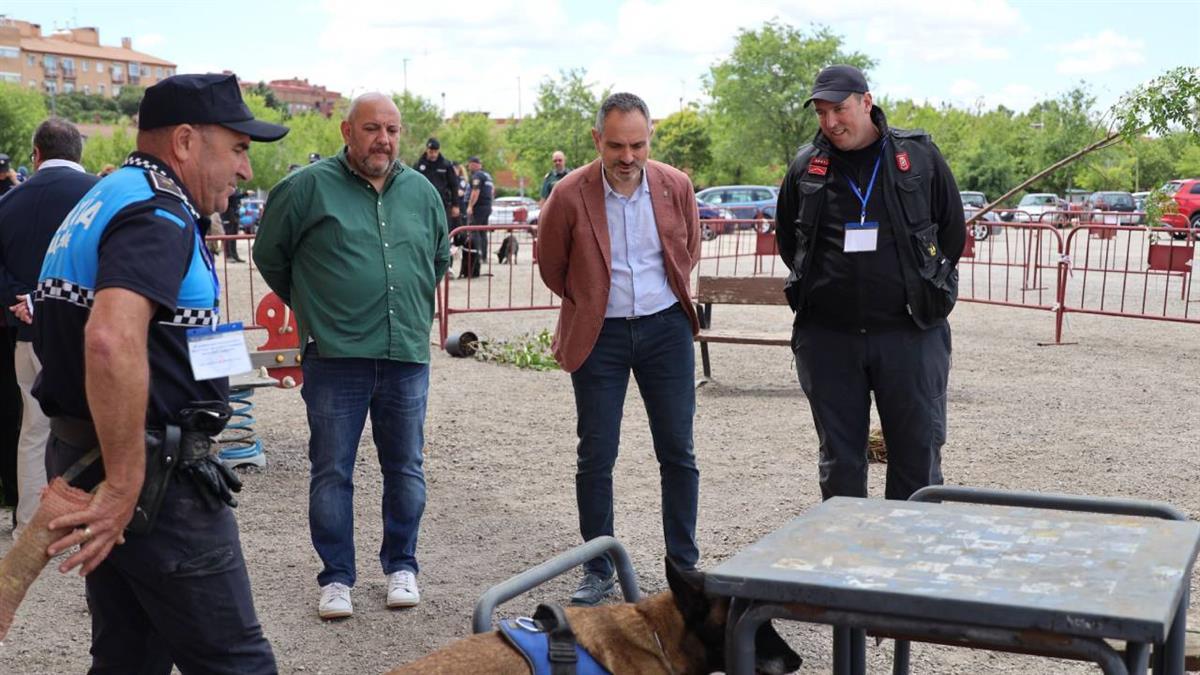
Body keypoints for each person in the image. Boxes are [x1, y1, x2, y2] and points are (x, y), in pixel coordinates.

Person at [32, 73, 285, 672]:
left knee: (129, 657)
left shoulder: (107, 194)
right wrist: (124, 485)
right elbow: (110, 339)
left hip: (94, 456)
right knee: (237, 663)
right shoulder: (160, 212)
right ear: (186, 142)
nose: (246, 171)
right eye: (240, 149)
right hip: (155, 482)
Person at [253, 92, 450, 620]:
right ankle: (336, 577)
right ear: (346, 131)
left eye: (391, 129)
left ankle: (402, 565)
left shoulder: (423, 192)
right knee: (331, 470)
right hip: (336, 355)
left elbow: (437, 260)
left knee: (406, 467)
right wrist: (317, 307)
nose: (382, 139)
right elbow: (269, 256)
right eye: (371, 129)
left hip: (405, 352)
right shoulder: (305, 190)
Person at [537, 92, 702, 606]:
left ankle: (684, 563)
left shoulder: (676, 186)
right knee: (596, 454)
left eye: (638, 144)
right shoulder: (567, 194)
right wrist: (590, 302)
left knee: (678, 451)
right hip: (600, 335)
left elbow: (688, 249)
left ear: (650, 139)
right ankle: (598, 567)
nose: (628, 156)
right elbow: (551, 266)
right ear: (596, 141)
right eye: (616, 146)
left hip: (665, 331)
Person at [775, 64, 965, 502]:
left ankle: (906, 560)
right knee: (840, 461)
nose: (831, 122)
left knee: (916, 457)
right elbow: (791, 242)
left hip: (910, 334)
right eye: (821, 112)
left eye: (839, 109)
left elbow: (951, 233)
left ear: (866, 101)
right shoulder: (807, 166)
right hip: (829, 338)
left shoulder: (918, 157)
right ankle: (846, 564)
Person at [0, 118, 99, 541]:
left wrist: (20, 298)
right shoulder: (100, 195)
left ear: (36, 154)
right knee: (99, 422)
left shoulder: (8, 201)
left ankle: (30, 521)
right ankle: (91, 515)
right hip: (88, 329)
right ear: (79, 152)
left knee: (34, 427)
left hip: (28, 331)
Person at [411, 137, 459, 230]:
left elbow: (454, 185)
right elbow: (413, 185)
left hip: (442, 203)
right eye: (431, 151)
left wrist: (455, 205)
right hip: (424, 204)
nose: (433, 154)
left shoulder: (446, 165)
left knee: (443, 229)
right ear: (427, 150)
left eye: (435, 152)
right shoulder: (419, 164)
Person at [461, 155, 493, 278]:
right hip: (486, 206)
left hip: (479, 207)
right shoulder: (487, 175)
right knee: (483, 232)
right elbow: (492, 190)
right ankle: (483, 255)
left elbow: (475, 191)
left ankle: (477, 255)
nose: (468, 167)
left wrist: (470, 205)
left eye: (469, 164)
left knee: (475, 231)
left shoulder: (477, 176)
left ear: (474, 164)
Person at [221, 187, 246, 262]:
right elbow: (233, 196)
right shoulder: (227, 187)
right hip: (228, 214)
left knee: (234, 236)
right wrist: (245, 194)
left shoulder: (235, 188)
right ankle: (228, 256)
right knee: (229, 235)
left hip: (234, 214)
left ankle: (234, 255)